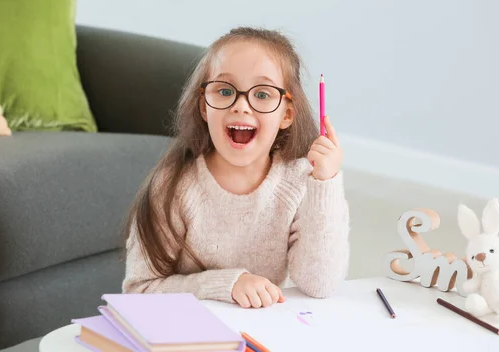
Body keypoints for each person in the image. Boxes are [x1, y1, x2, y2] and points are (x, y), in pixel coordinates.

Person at [122, 26, 350, 309]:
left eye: (263, 94)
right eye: (225, 90)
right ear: (204, 106)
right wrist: (226, 285)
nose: (241, 106)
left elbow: (320, 285)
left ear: (287, 114)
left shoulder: (300, 181)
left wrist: (325, 183)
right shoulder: (173, 187)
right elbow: (138, 291)